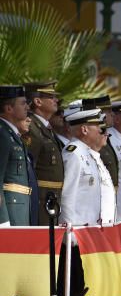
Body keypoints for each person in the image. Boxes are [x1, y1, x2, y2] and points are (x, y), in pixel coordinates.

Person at [60, 109, 116, 226]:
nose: (101, 130)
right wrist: (70, 232)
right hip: (80, 230)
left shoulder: (90, 153)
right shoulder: (73, 153)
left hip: (96, 228)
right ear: (84, 129)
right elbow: (67, 195)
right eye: (97, 125)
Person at [24, 81, 64, 221]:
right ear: (37, 101)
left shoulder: (45, 127)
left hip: (52, 197)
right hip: (40, 198)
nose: (56, 100)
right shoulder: (32, 128)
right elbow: (28, 167)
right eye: (51, 97)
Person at [0, 85, 33, 227]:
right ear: (9, 109)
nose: (27, 107)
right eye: (23, 103)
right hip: (9, 210)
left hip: (20, 207)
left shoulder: (12, 134)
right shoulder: (2, 134)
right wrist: (2, 220)